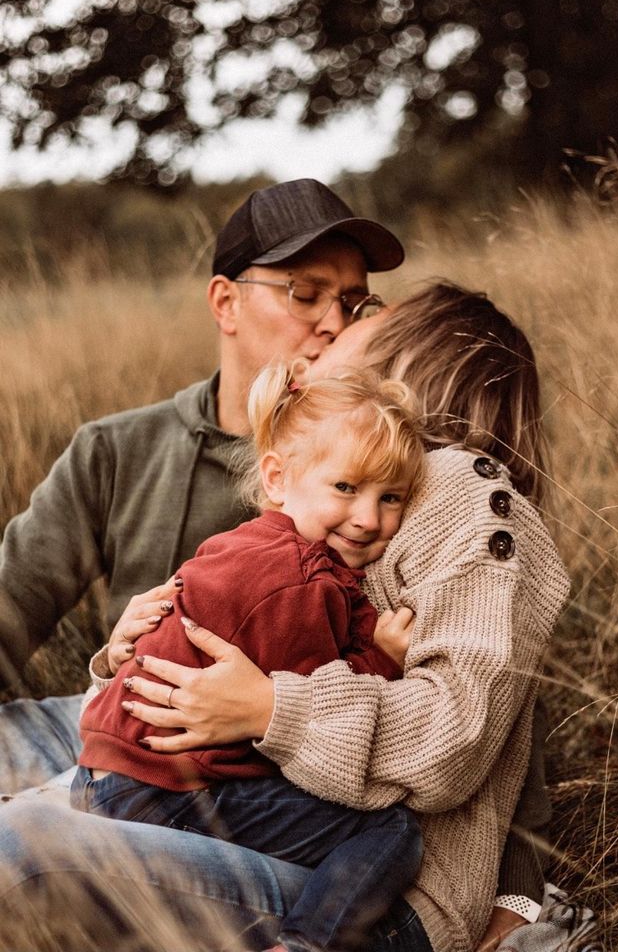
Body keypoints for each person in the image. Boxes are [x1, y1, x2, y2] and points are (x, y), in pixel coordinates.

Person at [0, 176, 551, 948]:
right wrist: (123, 657)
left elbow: (488, 712)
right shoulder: (127, 450)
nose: (334, 325)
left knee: (22, 842)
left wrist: (519, 897)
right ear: (224, 303)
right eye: (306, 294)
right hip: (161, 739)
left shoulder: (412, 497)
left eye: (358, 307)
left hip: (287, 807)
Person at [71, 365, 426, 952]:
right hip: (164, 788)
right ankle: (306, 944)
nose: (369, 517)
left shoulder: (247, 542)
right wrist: (383, 660)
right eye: (346, 488)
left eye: (391, 498)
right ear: (277, 478)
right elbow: (314, 711)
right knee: (390, 831)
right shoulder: (296, 584)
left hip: (109, 768)